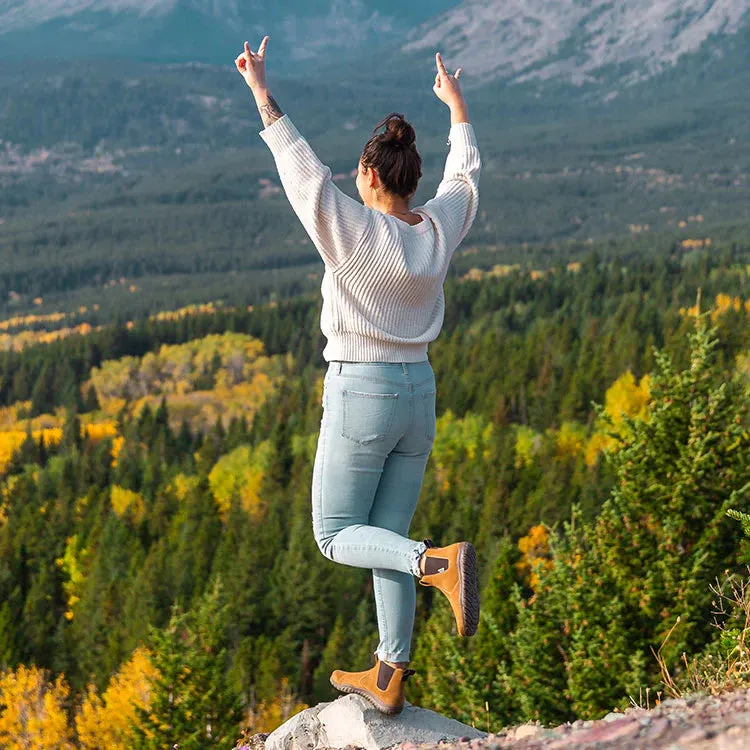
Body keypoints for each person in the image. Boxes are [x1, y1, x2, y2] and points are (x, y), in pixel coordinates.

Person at [235, 36, 481, 716]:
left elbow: (298, 166)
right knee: (388, 536)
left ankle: (440, 564)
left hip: (363, 394)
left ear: (372, 178)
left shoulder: (348, 233)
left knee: (336, 535)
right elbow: (465, 179)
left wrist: (260, 89)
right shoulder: (438, 231)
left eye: (359, 173)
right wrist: (457, 107)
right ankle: (389, 673)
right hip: (418, 397)